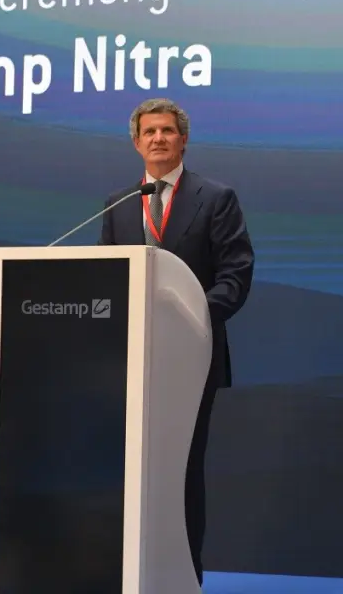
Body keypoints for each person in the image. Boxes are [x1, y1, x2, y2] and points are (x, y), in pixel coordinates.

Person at [97, 97, 254, 585]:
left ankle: (184, 580)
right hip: (129, 362)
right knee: (129, 472)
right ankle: (132, 575)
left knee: (180, 468)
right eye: (149, 132)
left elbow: (235, 276)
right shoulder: (119, 204)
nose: (158, 139)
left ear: (183, 140)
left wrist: (188, 321)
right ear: (136, 143)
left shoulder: (216, 198)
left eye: (167, 131)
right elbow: (105, 278)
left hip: (190, 358)